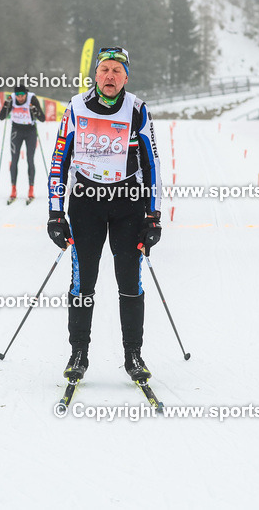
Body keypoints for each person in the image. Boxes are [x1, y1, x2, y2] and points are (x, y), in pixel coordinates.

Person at [45, 47, 163, 384]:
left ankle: (133, 355)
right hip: (86, 204)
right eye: (104, 70)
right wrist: (55, 213)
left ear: (127, 77)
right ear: (95, 74)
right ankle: (78, 352)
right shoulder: (76, 107)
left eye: (117, 71)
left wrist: (153, 217)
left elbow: (152, 164)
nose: (110, 76)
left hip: (127, 203)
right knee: (83, 283)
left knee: (130, 282)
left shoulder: (137, 109)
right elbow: (59, 161)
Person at [0, 83, 45, 204]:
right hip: (16, 131)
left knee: (30, 159)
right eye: (18, 95)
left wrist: (34, 110)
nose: (20, 98)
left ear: (26, 94)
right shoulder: (11, 99)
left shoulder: (32, 99)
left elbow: (42, 118)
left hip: (30, 131)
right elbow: (1, 117)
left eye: (22, 95)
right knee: (14, 160)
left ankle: (31, 190)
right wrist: (6, 106)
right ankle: (13, 189)